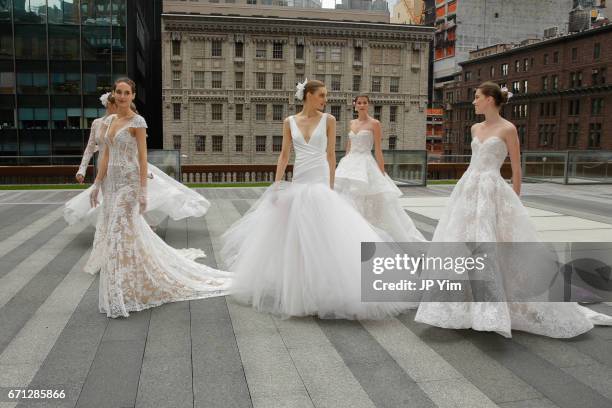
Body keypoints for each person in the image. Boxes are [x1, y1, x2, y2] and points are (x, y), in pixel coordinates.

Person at [414, 81, 612, 338]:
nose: (473, 101)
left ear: (489, 99)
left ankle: (495, 306)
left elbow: (517, 168)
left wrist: (515, 200)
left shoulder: (508, 128)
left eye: (476, 97)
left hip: (492, 190)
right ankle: (464, 303)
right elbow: (475, 162)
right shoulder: (475, 127)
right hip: (468, 189)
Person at [221, 79, 407, 320]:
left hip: (319, 183)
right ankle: (300, 288)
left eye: (325, 96)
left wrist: (330, 187)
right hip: (299, 182)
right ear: (308, 95)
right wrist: (277, 185)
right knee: (297, 237)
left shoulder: (329, 120)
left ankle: (327, 286)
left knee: (325, 235)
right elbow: (284, 154)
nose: (325, 99)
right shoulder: (289, 122)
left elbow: (331, 155)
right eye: (321, 95)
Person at [84, 77, 232, 318]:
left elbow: (143, 159)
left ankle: (121, 292)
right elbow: (105, 157)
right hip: (111, 184)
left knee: (117, 232)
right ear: (113, 95)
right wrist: (96, 184)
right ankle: (131, 284)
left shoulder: (137, 122)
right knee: (127, 234)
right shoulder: (109, 121)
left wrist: (142, 192)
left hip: (130, 184)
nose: (122, 96)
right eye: (118, 92)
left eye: (126, 92)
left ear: (132, 96)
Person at [64, 94, 210, 226]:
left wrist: (141, 169)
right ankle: (114, 228)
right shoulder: (97, 123)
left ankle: (134, 227)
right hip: (104, 166)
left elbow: (134, 151)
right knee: (107, 198)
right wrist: (81, 170)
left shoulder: (129, 123)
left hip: (123, 166)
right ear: (108, 105)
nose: (115, 106)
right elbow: (90, 148)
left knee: (126, 197)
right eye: (112, 104)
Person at [335, 94, 425, 242]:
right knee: (347, 198)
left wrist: (381, 172)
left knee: (376, 201)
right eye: (359, 102)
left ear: (368, 105)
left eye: (364, 102)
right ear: (355, 105)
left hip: (366, 163)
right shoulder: (352, 123)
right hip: (349, 163)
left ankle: (372, 233)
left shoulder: (375, 123)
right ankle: (352, 234)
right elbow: (349, 146)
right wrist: (344, 163)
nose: (362, 105)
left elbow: (377, 149)